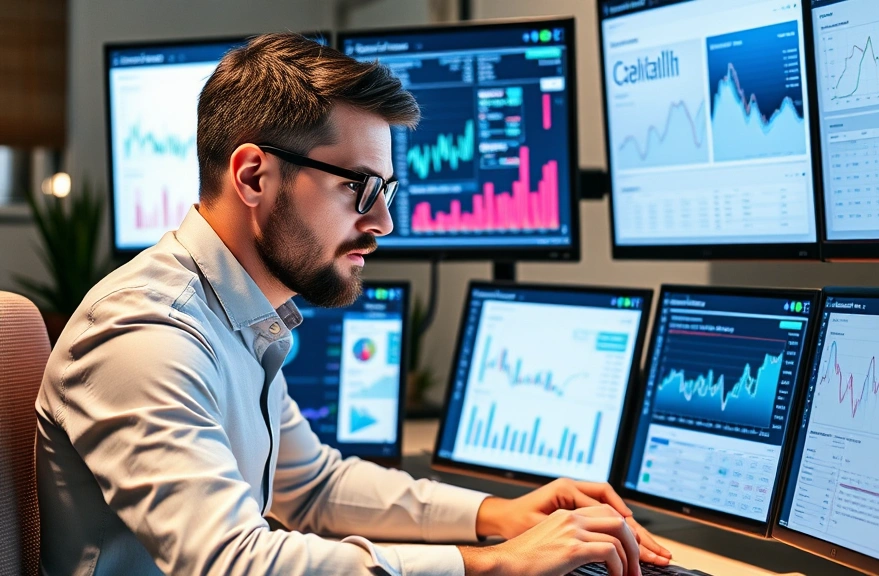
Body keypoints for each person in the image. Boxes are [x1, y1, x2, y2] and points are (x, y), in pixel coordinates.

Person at [35, 33, 673, 576]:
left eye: (387, 189)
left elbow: (313, 486)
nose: (384, 222)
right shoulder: (145, 333)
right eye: (359, 187)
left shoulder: (237, 315)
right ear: (254, 175)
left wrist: (498, 516)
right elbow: (235, 563)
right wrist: (492, 561)